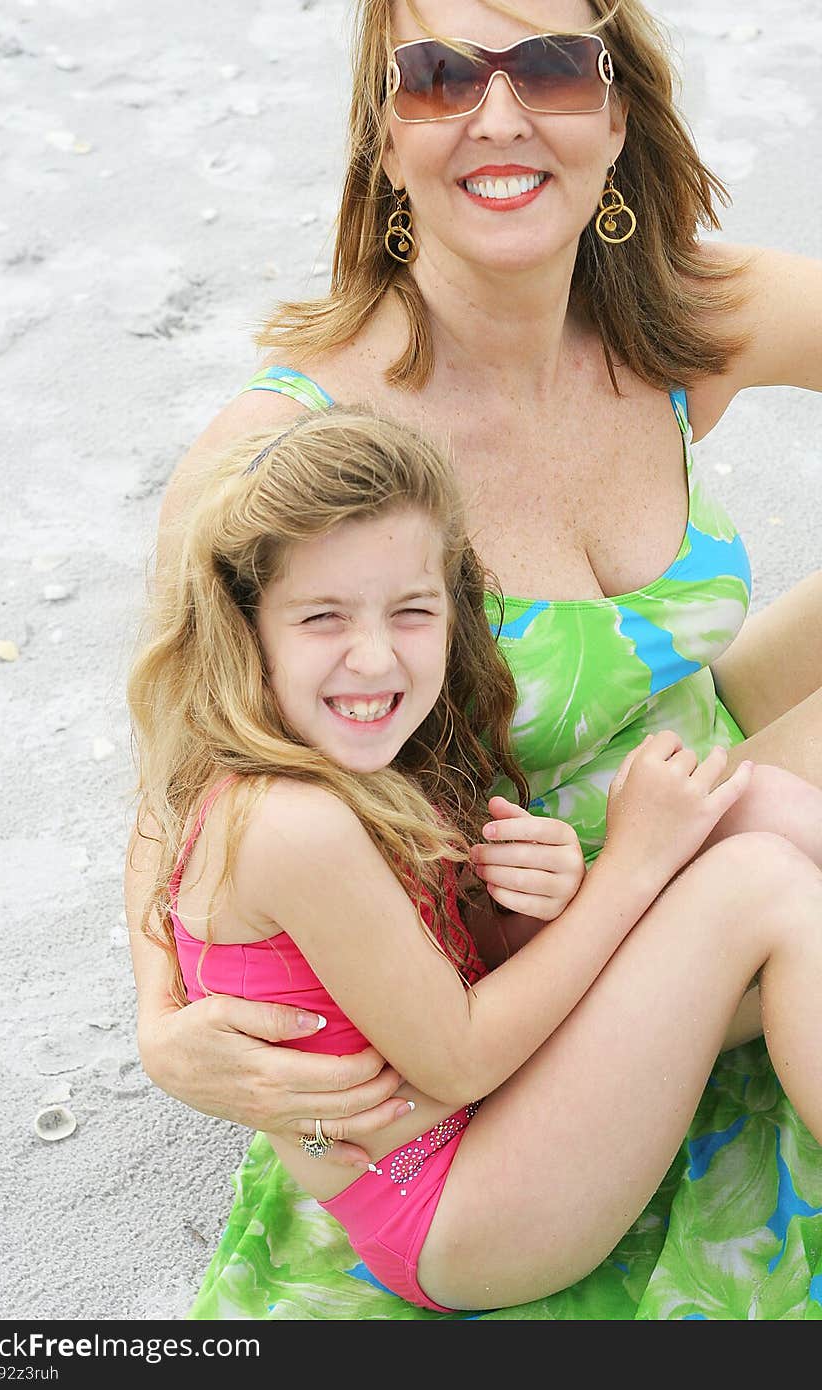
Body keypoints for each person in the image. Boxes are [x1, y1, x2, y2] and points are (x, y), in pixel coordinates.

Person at [123, 0, 822, 1317]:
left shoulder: (677, 318)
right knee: (776, 880)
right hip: (503, 955)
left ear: (615, 116)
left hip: (686, 769)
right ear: (385, 140)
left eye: (551, 68)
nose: (500, 118)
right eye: (441, 79)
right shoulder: (298, 460)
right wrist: (165, 1025)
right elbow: (181, 787)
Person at [126, 407, 822, 1313]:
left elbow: (450, 971)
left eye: (411, 611)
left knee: (759, 807)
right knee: (757, 885)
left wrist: (533, 901)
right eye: (322, 615)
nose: (373, 656)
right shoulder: (289, 824)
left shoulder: (354, 757)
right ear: (245, 623)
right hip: (453, 1205)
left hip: (472, 1108)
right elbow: (458, 1060)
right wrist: (629, 868)